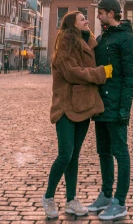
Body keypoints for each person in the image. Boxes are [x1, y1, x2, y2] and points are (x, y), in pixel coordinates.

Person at [42, 11, 111, 219]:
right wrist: (101, 73)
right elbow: (73, 72)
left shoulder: (88, 42)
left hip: (82, 105)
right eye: (82, 19)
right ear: (72, 24)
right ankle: (48, 197)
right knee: (65, 154)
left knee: (74, 156)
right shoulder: (64, 43)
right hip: (65, 106)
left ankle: (71, 200)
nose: (87, 21)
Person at [88, 0, 133, 221]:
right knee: (103, 152)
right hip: (101, 105)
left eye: (100, 13)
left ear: (111, 13)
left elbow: (131, 77)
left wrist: (124, 109)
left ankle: (120, 201)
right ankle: (106, 195)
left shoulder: (127, 39)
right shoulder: (102, 38)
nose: (97, 17)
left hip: (116, 104)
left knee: (121, 153)